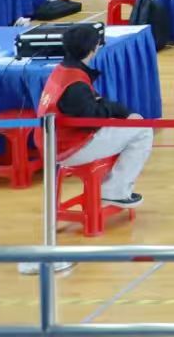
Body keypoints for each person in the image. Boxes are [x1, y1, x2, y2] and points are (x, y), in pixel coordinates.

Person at [29, 24, 153, 257]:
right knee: (143, 130)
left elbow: (95, 104)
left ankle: (112, 185)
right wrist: (121, 116)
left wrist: (121, 112)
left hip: (51, 141)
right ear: (93, 49)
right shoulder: (75, 85)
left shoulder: (63, 70)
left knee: (124, 123)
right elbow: (93, 118)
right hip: (68, 147)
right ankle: (115, 190)